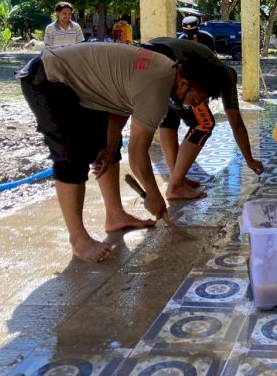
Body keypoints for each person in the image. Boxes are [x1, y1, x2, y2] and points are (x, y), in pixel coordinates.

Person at [18, 42, 224, 263]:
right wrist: (153, 194)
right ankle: (78, 240)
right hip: (49, 78)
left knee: (105, 150)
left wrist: (108, 146)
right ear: (183, 83)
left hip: (83, 87)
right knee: (71, 157)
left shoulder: (166, 70)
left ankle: (115, 216)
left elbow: (117, 108)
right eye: (196, 98)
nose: (194, 105)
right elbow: (137, 153)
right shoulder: (158, 86)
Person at [143, 37, 265, 200]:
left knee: (170, 118)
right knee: (204, 123)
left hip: (145, 58)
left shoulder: (210, 65)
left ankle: (176, 179)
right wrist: (250, 160)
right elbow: (236, 124)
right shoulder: (222, 77)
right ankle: (176, 186)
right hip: (165, 59)